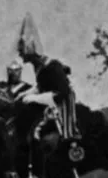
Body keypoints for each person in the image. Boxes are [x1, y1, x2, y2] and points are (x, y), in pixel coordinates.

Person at [17, 12, 80, 141]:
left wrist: (33, 98)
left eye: (22, 50)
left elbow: (60, 93)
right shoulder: (40, 67)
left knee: (66, 136)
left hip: (63, 103)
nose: (20, 54)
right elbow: (42, 85)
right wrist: (25, 94)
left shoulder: (51, 66)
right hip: (53, 105)